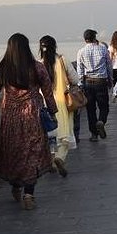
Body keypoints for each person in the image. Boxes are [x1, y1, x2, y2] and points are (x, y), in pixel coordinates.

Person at [0, 33, 57, 210]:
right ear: (26, 48)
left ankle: (16, 186)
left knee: (14, 152)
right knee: (31, 153)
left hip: (11, 117)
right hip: (32, 116)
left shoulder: (2, 69)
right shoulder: (37, 68)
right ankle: (29, 193)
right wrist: (53, 112)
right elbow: (48, 92)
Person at [39, 35, 78, 177]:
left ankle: (51, 161)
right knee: (65, 134)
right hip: (63, 103)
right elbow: (75, 79)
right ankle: (59, 158)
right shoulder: (62, 60)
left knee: (50, 135)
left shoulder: (38, 64)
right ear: (54, 46)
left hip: (45, 104)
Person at [76, 29, 113, 141]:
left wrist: (81, 84)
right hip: (101, 82)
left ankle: (94, 135)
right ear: (94, 37)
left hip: (88, 82)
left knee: (90, 109)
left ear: (85, 39)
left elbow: (80, 70)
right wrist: (110, 80)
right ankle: (101, 121)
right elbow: (109, 66)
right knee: (104, 106)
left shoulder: (81, 51)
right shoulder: (102, 48)